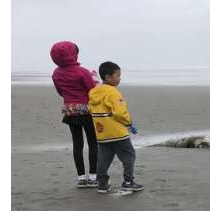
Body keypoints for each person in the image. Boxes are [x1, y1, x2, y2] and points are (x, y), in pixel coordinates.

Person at [89, 61, 144, 194]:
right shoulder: (113, 93)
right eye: (118, 75)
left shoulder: (93, 92)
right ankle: (128, 182)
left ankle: (102, 184)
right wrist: (128, 123)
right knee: (129, 156)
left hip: (102, 132)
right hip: (117, 132)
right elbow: (119, 112)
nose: (120, 78)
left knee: (103, 159)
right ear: (108, 77)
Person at [50, 41, 99, 188]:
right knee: (92, 143)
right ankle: (93, 177)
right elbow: (92, 90)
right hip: (86, 110)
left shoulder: (56, 73)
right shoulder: (82, 72)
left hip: (70, 110)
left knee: (77, 144)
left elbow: (60, 92)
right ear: (74, 54)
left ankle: (81, 177)